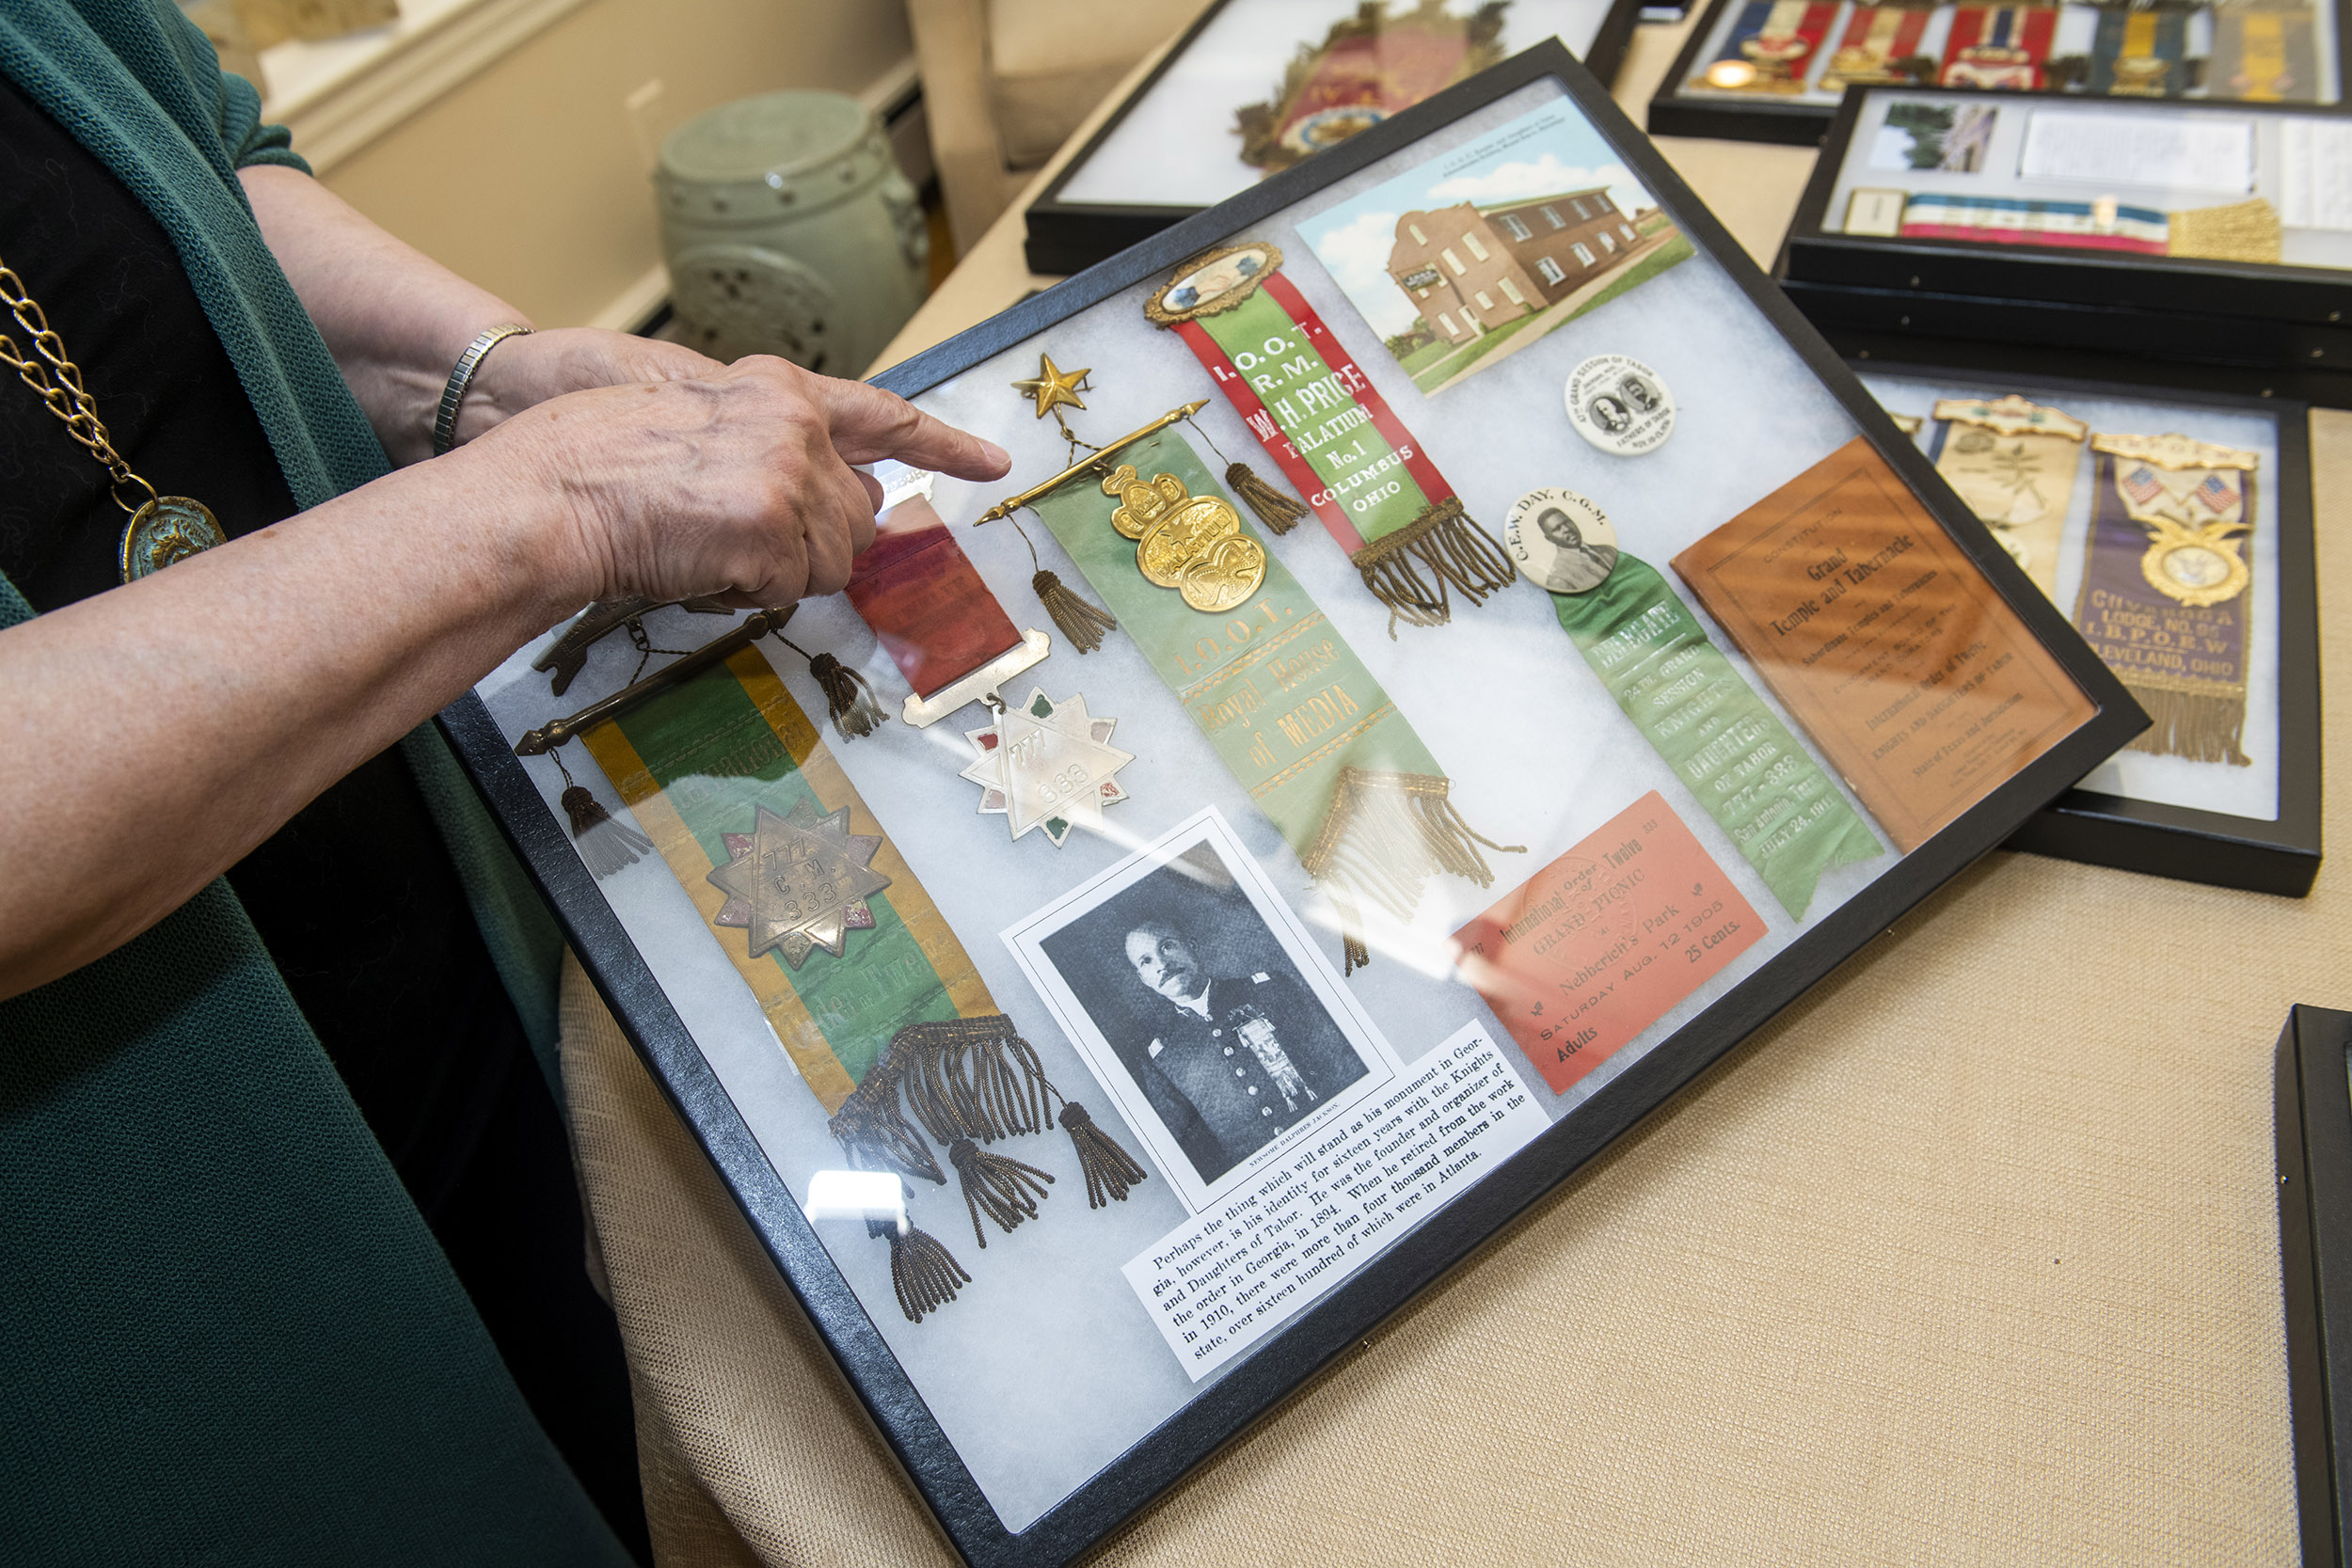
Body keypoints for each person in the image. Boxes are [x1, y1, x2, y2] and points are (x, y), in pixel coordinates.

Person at [0, 2, 1008, 1561]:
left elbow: (201, 160)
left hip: (456, 955)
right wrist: (547, 502)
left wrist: (490, 375)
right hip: (145, 1283)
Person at [1120, 916, 1365, 1180]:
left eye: (1167, 947)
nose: (1162, 965)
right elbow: (1194, 1145)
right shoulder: (1163, 1055)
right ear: (1143, 979)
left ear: (1192, 946)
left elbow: (1343, 1062)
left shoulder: (1270, 990)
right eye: (1146, 961)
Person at [1534, 504, 1619, 594]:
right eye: (1557, 528)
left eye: (1567, 522)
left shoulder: (1608, 550)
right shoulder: (1559, 578)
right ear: (1549, 539)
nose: (1567, 529)